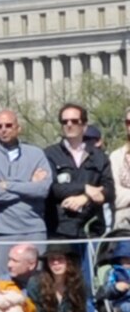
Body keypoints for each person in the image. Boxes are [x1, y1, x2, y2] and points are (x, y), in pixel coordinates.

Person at [0, 110, 50, 275]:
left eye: (8, 125)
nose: (3, 129)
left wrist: (9, 185)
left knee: (38, 282)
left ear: (18, 128)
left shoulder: (36, 153)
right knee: (2, 283)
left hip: (34, 229)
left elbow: (43, 189)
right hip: (3, 232)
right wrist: (29, 185)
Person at [43, 103, 114, 250]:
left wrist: (85, 198)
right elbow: (52, 188)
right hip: (60, 230)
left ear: (85, 126)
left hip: (92, 230)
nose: (69, 124)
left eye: (75, 121)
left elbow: (109, 191)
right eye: (65, 121)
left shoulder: (99, 156)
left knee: (90, 273)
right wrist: (85, 188)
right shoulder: (49, 154)